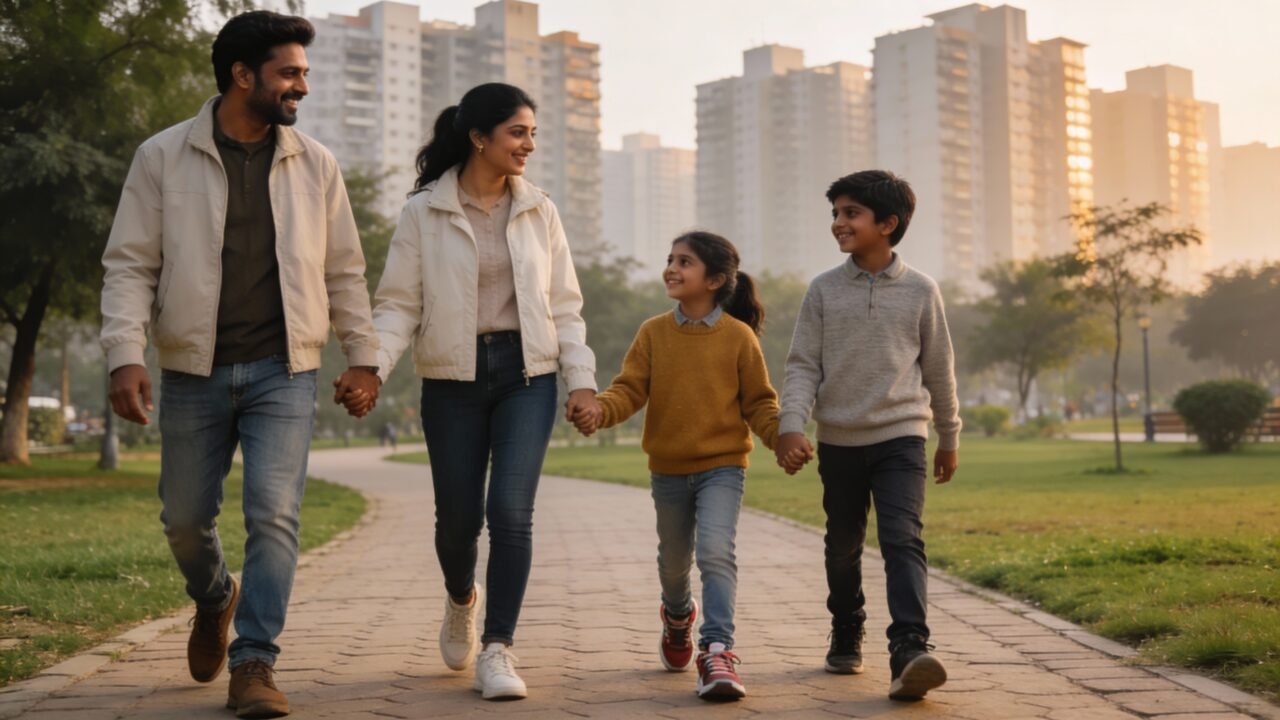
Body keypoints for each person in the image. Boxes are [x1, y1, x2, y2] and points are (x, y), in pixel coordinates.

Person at [100, 11, 381, 718]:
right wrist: (124, 356)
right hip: (193, 371)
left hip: (284, 371)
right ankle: (215, 596)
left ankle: (255, 662)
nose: (302, 87)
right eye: (291, 73)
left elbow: (344, 270)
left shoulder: (315, 164)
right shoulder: (162, 157)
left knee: (275, 515)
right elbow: (130, 265)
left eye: (305, 74)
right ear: (242, 75)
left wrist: (365, 358)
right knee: (185, 519)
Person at [351, 83, 598, 701]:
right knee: (457, 521)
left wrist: (582, 379)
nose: (529, 145)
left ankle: (498, 647)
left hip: (527, 374)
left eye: (533, 133)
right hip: (452, 378)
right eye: (518, 133)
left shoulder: (540, 209)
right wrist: (373, 365)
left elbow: (565, 306)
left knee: (510, 513)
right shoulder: (424, 212)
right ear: (479, 137)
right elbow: (399, 305)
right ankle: (462, 596)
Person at [571, 231, 805, 701]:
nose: (672, 269)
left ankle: (717, 650)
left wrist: (781, 438)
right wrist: (599, 409)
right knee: (674, 562)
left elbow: (758, 401)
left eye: (685, 262)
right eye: (671, 260)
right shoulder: (654, 332)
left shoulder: (738, 337)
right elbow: (629, 389)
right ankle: (677, 615)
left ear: (716, 280)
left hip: (723, 465)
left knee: (716, 551)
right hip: (669, 468)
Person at [775, 170, 961, 701]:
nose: (838, 223)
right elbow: (802, 364)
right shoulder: (823, 290)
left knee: (902, 537)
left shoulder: (922, 291)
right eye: (835, 213)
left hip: (902, 435)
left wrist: (948, 436)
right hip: (839, 439)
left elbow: (940, 370)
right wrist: (792, 425)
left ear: (888, 223)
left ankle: (909, 648)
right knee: (842, 544)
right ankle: (847, 625)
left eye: (850, 213)